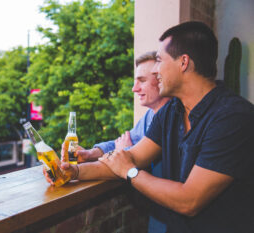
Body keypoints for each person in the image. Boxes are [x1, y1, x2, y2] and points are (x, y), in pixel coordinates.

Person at [45, 21, 254, 233]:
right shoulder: (171, 111)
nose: (155, 70)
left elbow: (189, 201)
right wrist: (73, 172)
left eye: (159, 61)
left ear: (183, 63)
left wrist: (131, 173)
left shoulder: (233, 117)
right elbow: (131, 157)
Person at [75, 51, 170, 164]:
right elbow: (121, 142)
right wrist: (89, 154)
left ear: (161, 80)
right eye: (135, 82)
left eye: (142, 81)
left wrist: (123, 150)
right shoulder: (150, 115)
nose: (134, 89)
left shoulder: (173, 118)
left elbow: (141, 162)